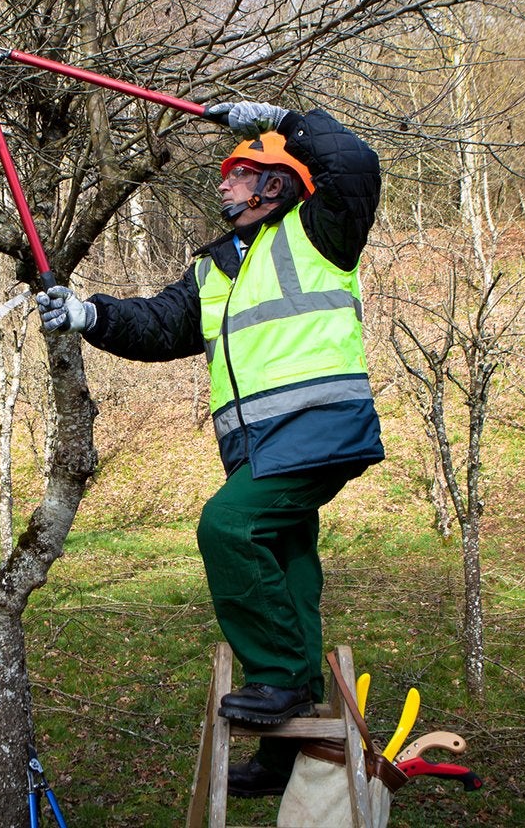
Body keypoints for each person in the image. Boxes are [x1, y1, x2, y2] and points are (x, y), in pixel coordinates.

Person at [36, 100, 384, 798]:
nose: (222, 183)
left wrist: (288, 118)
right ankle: (288, 756)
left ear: (275, 185)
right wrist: (88, 314)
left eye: (238, 173)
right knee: (289, 572)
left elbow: (353, 163)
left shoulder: (322, 231)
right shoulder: (216, 268)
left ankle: (279, 681)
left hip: (317, 427)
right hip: (260, 446)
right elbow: (158, 326)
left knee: (228, 526)